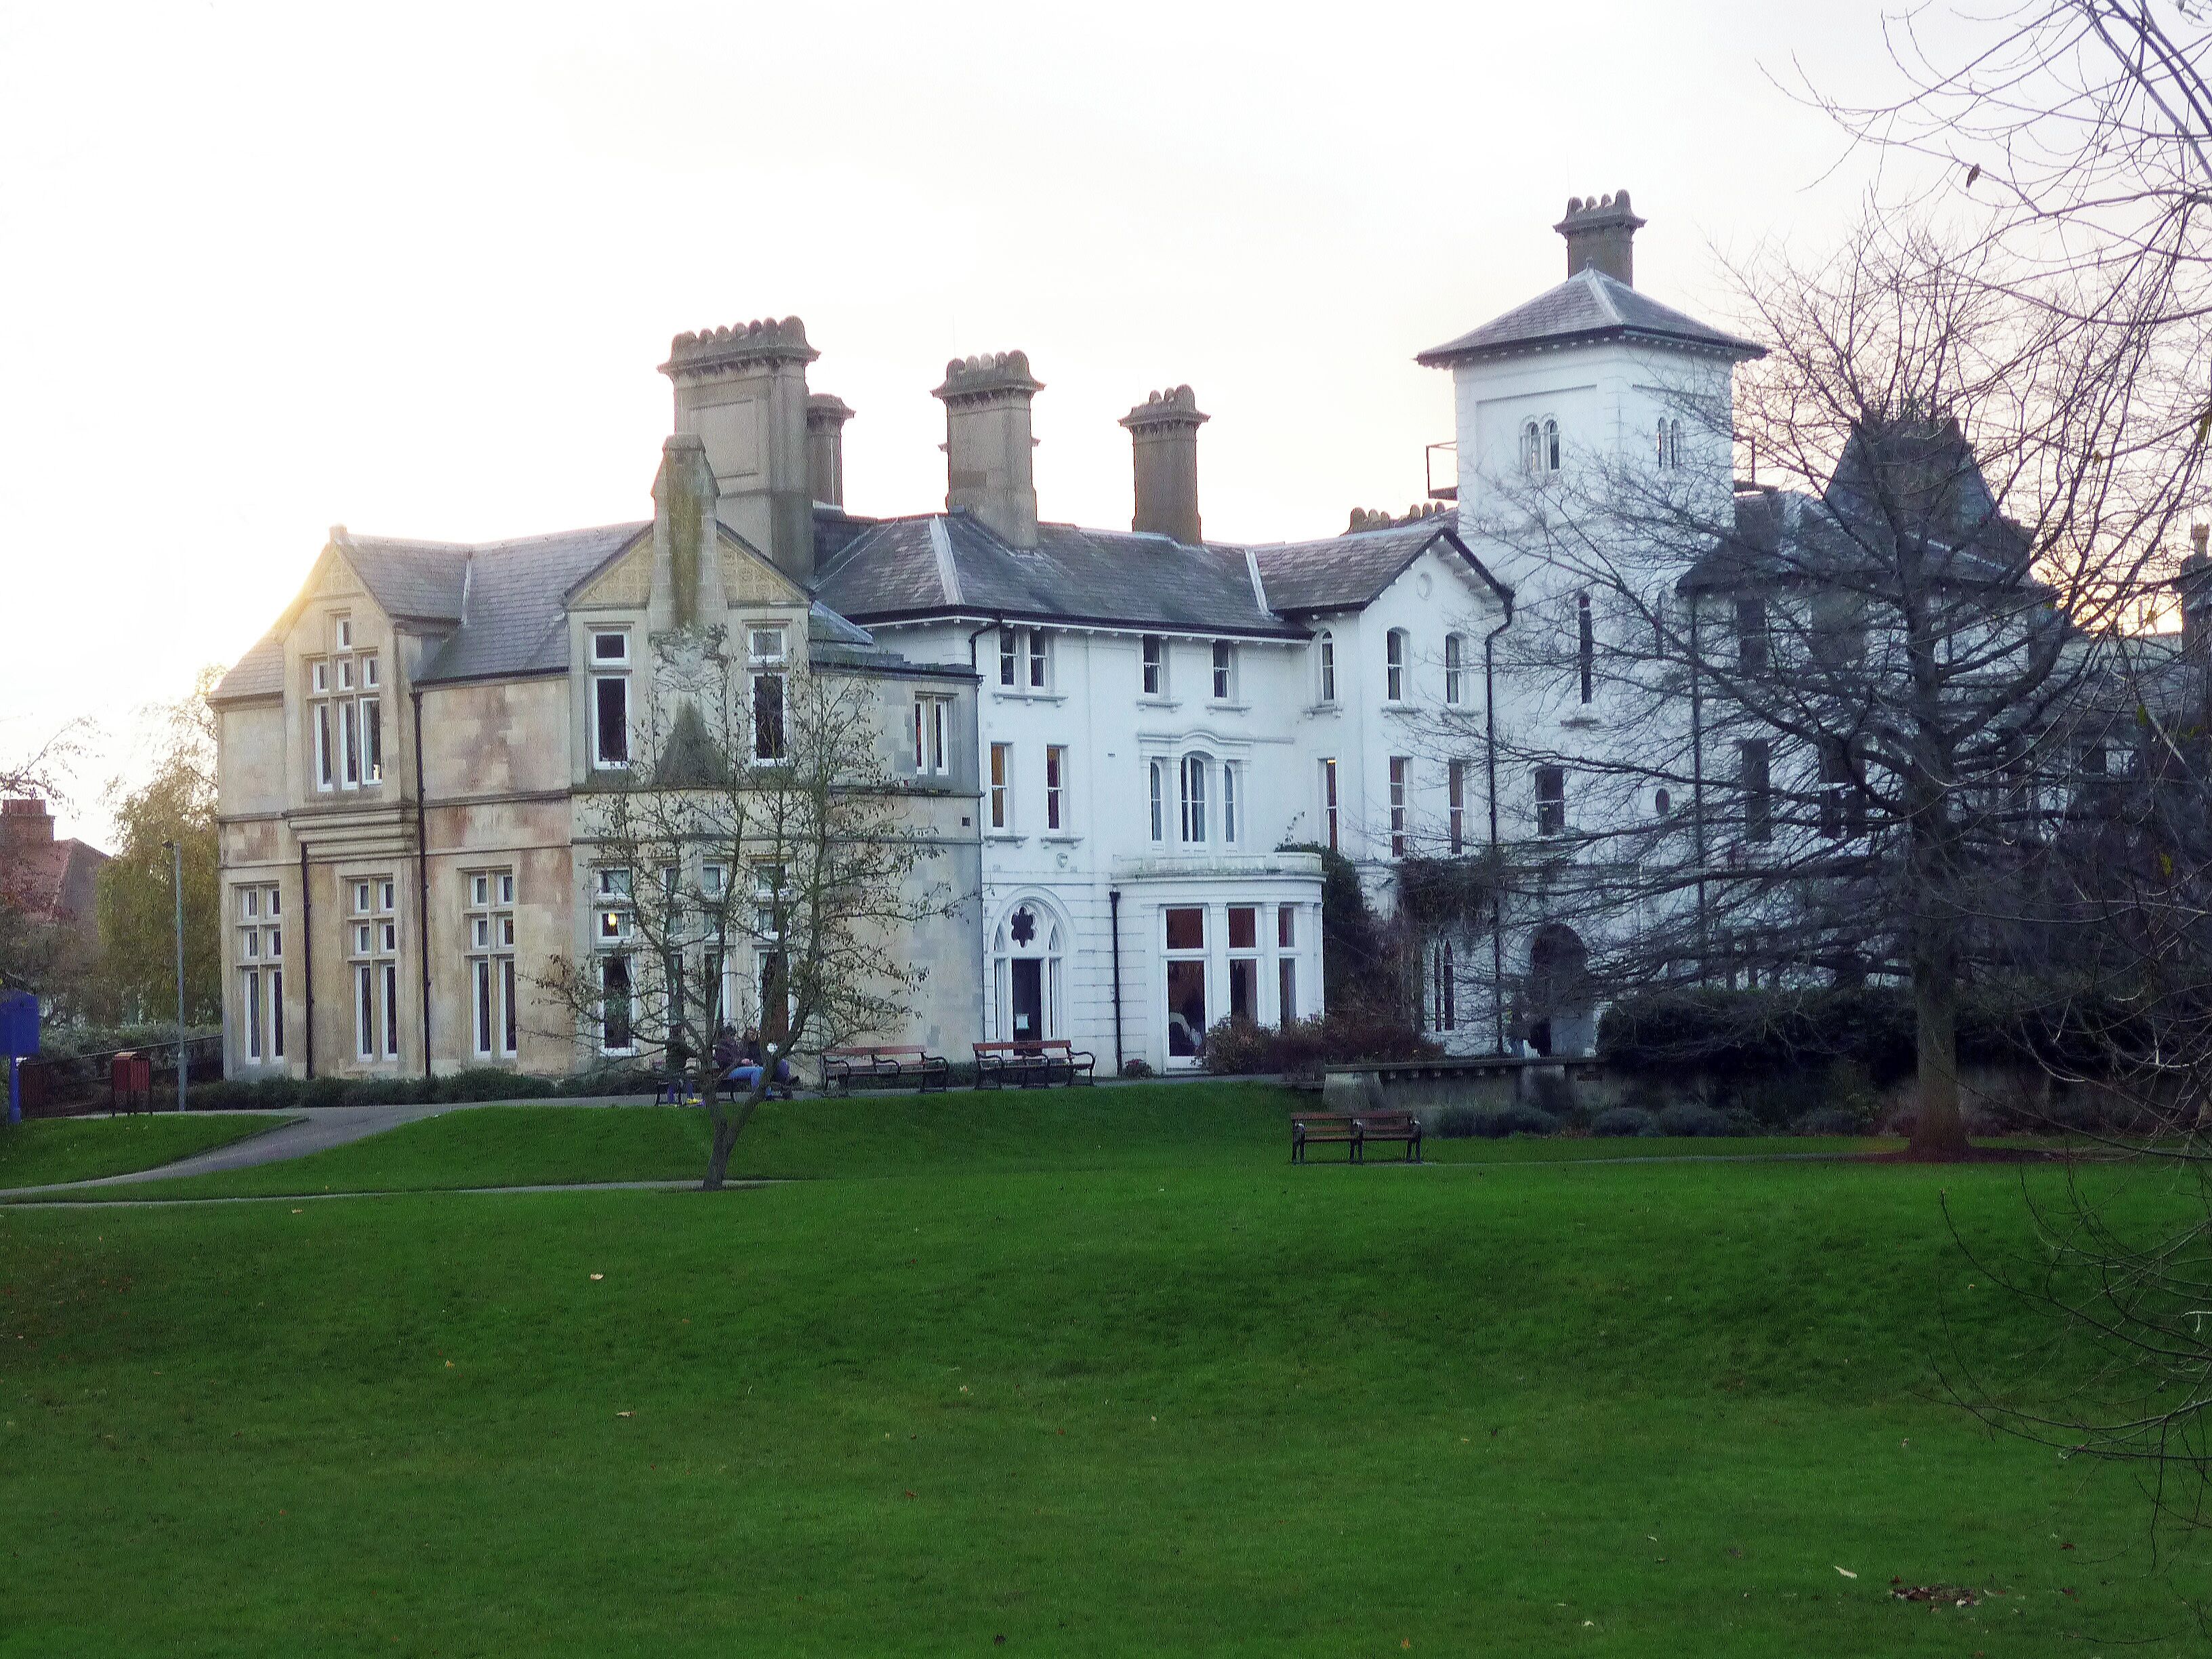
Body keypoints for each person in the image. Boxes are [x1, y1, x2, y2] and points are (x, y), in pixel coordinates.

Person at [722, 1025, 795, 1097]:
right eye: (750, 1034)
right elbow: (740, 1060)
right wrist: (748, 1063)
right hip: (751, 1067)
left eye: (754, 1034)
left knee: (781, 1063)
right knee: (761, 1070)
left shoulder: (759, 1045)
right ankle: (771, 1093)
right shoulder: (742, 1046)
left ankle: (787, 1081)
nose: (753, 1036)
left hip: (763, 1064)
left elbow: (765, 1056)